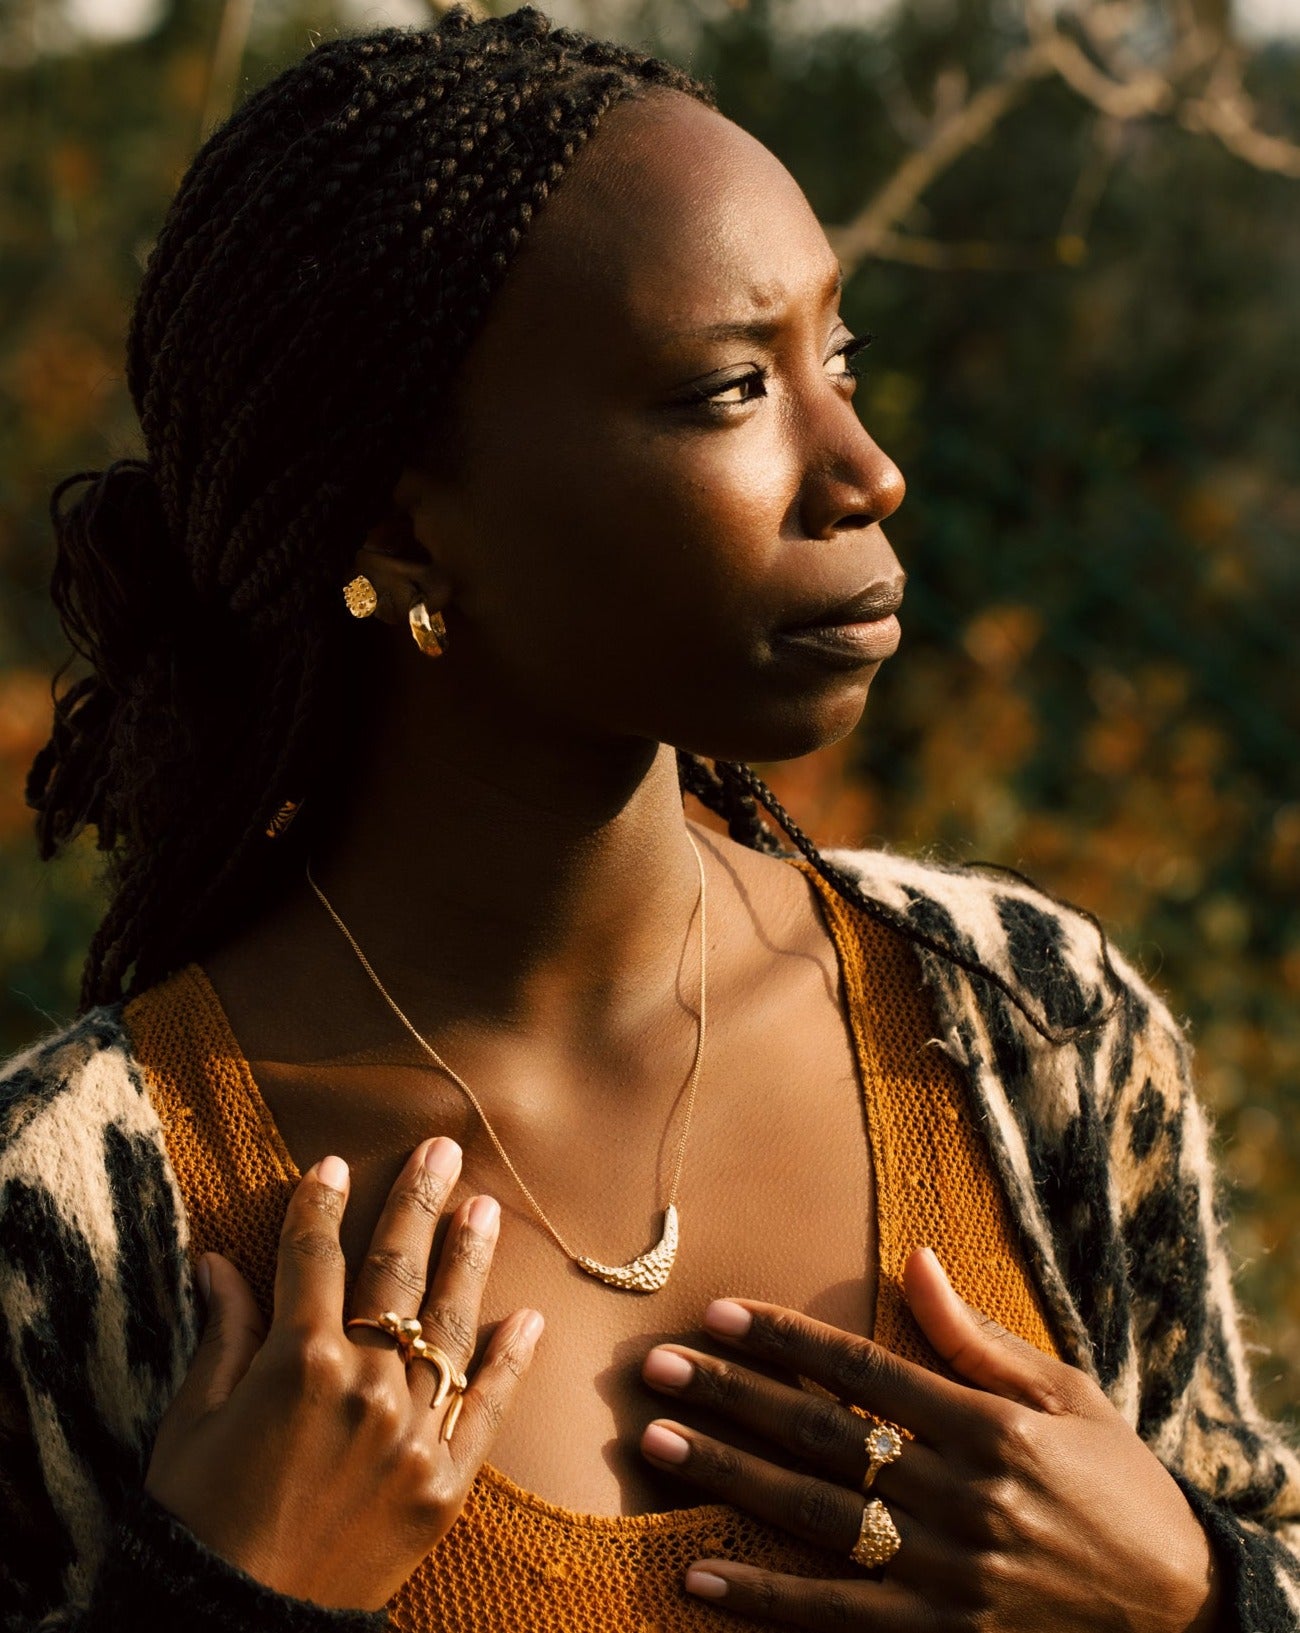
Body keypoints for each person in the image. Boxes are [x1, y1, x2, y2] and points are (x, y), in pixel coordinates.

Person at [1, 7, 1297, 1630]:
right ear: (407, 527)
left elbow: (1256, 1538)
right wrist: (218, 1604)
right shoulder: (79, 1216)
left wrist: (1200, 1592)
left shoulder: (1029, 1029)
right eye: (730, 388)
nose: (867, 470)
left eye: (839, 361)